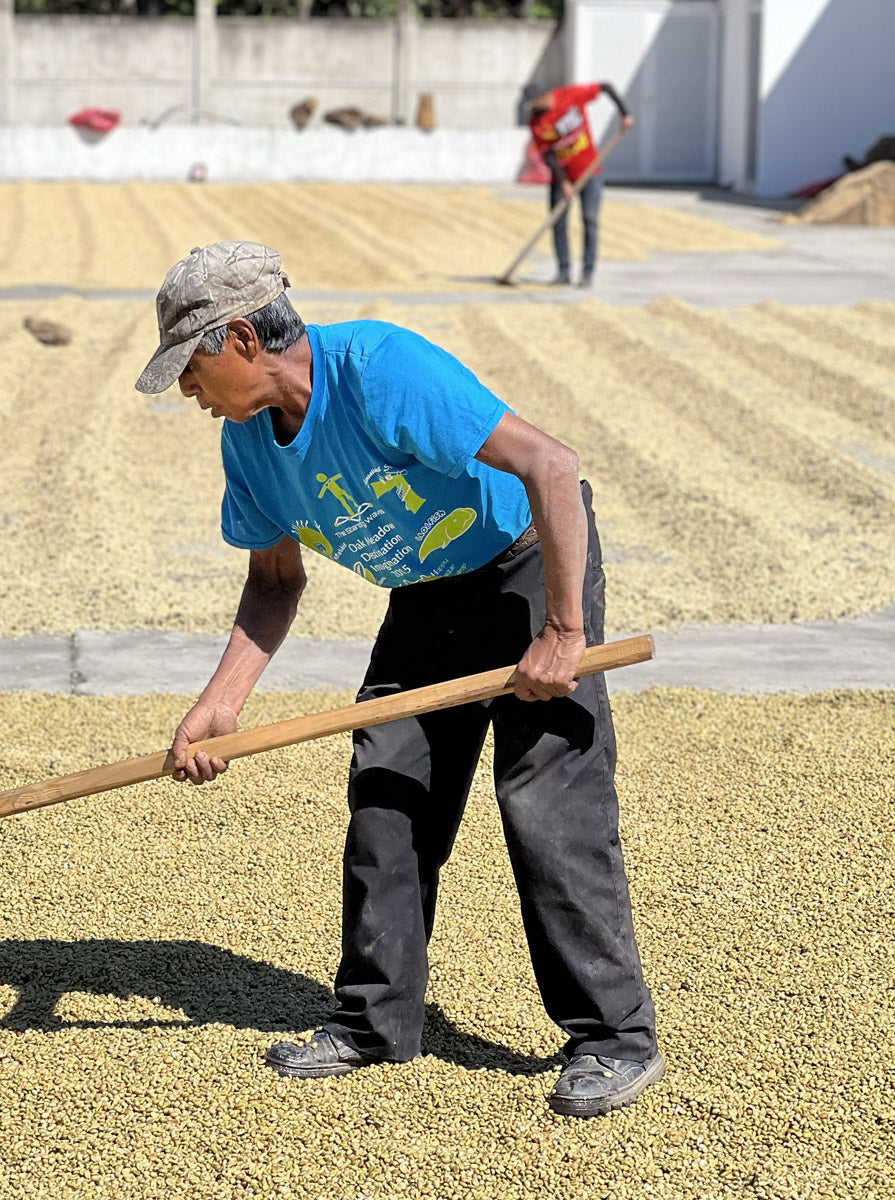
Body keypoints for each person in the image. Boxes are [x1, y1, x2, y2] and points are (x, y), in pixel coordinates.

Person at [134, 241, 663, 1119]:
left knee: (546, 803)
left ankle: (613, 1039)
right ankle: (375, 1020)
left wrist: (564, 631)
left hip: (525, 566)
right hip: (427, 594)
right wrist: (218, 707)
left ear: (236, 340)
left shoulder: (380, 369)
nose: (187, 391)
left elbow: (552, 466)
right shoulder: (250, 449)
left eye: (188, 367)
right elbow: (274, 581)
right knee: (388, 785)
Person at [525, 81, 635, 287]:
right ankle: (563, 272)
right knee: (558, 224)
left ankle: (587, 273)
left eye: (536, 102)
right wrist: (564, 181)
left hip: (590, 172)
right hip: (561, 177)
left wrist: (625, 113)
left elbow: (606, 87)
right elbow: (548, 154)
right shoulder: (536, 122)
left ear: (547, 94)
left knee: (589, 221)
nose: (534, 107)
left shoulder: (570, 96)